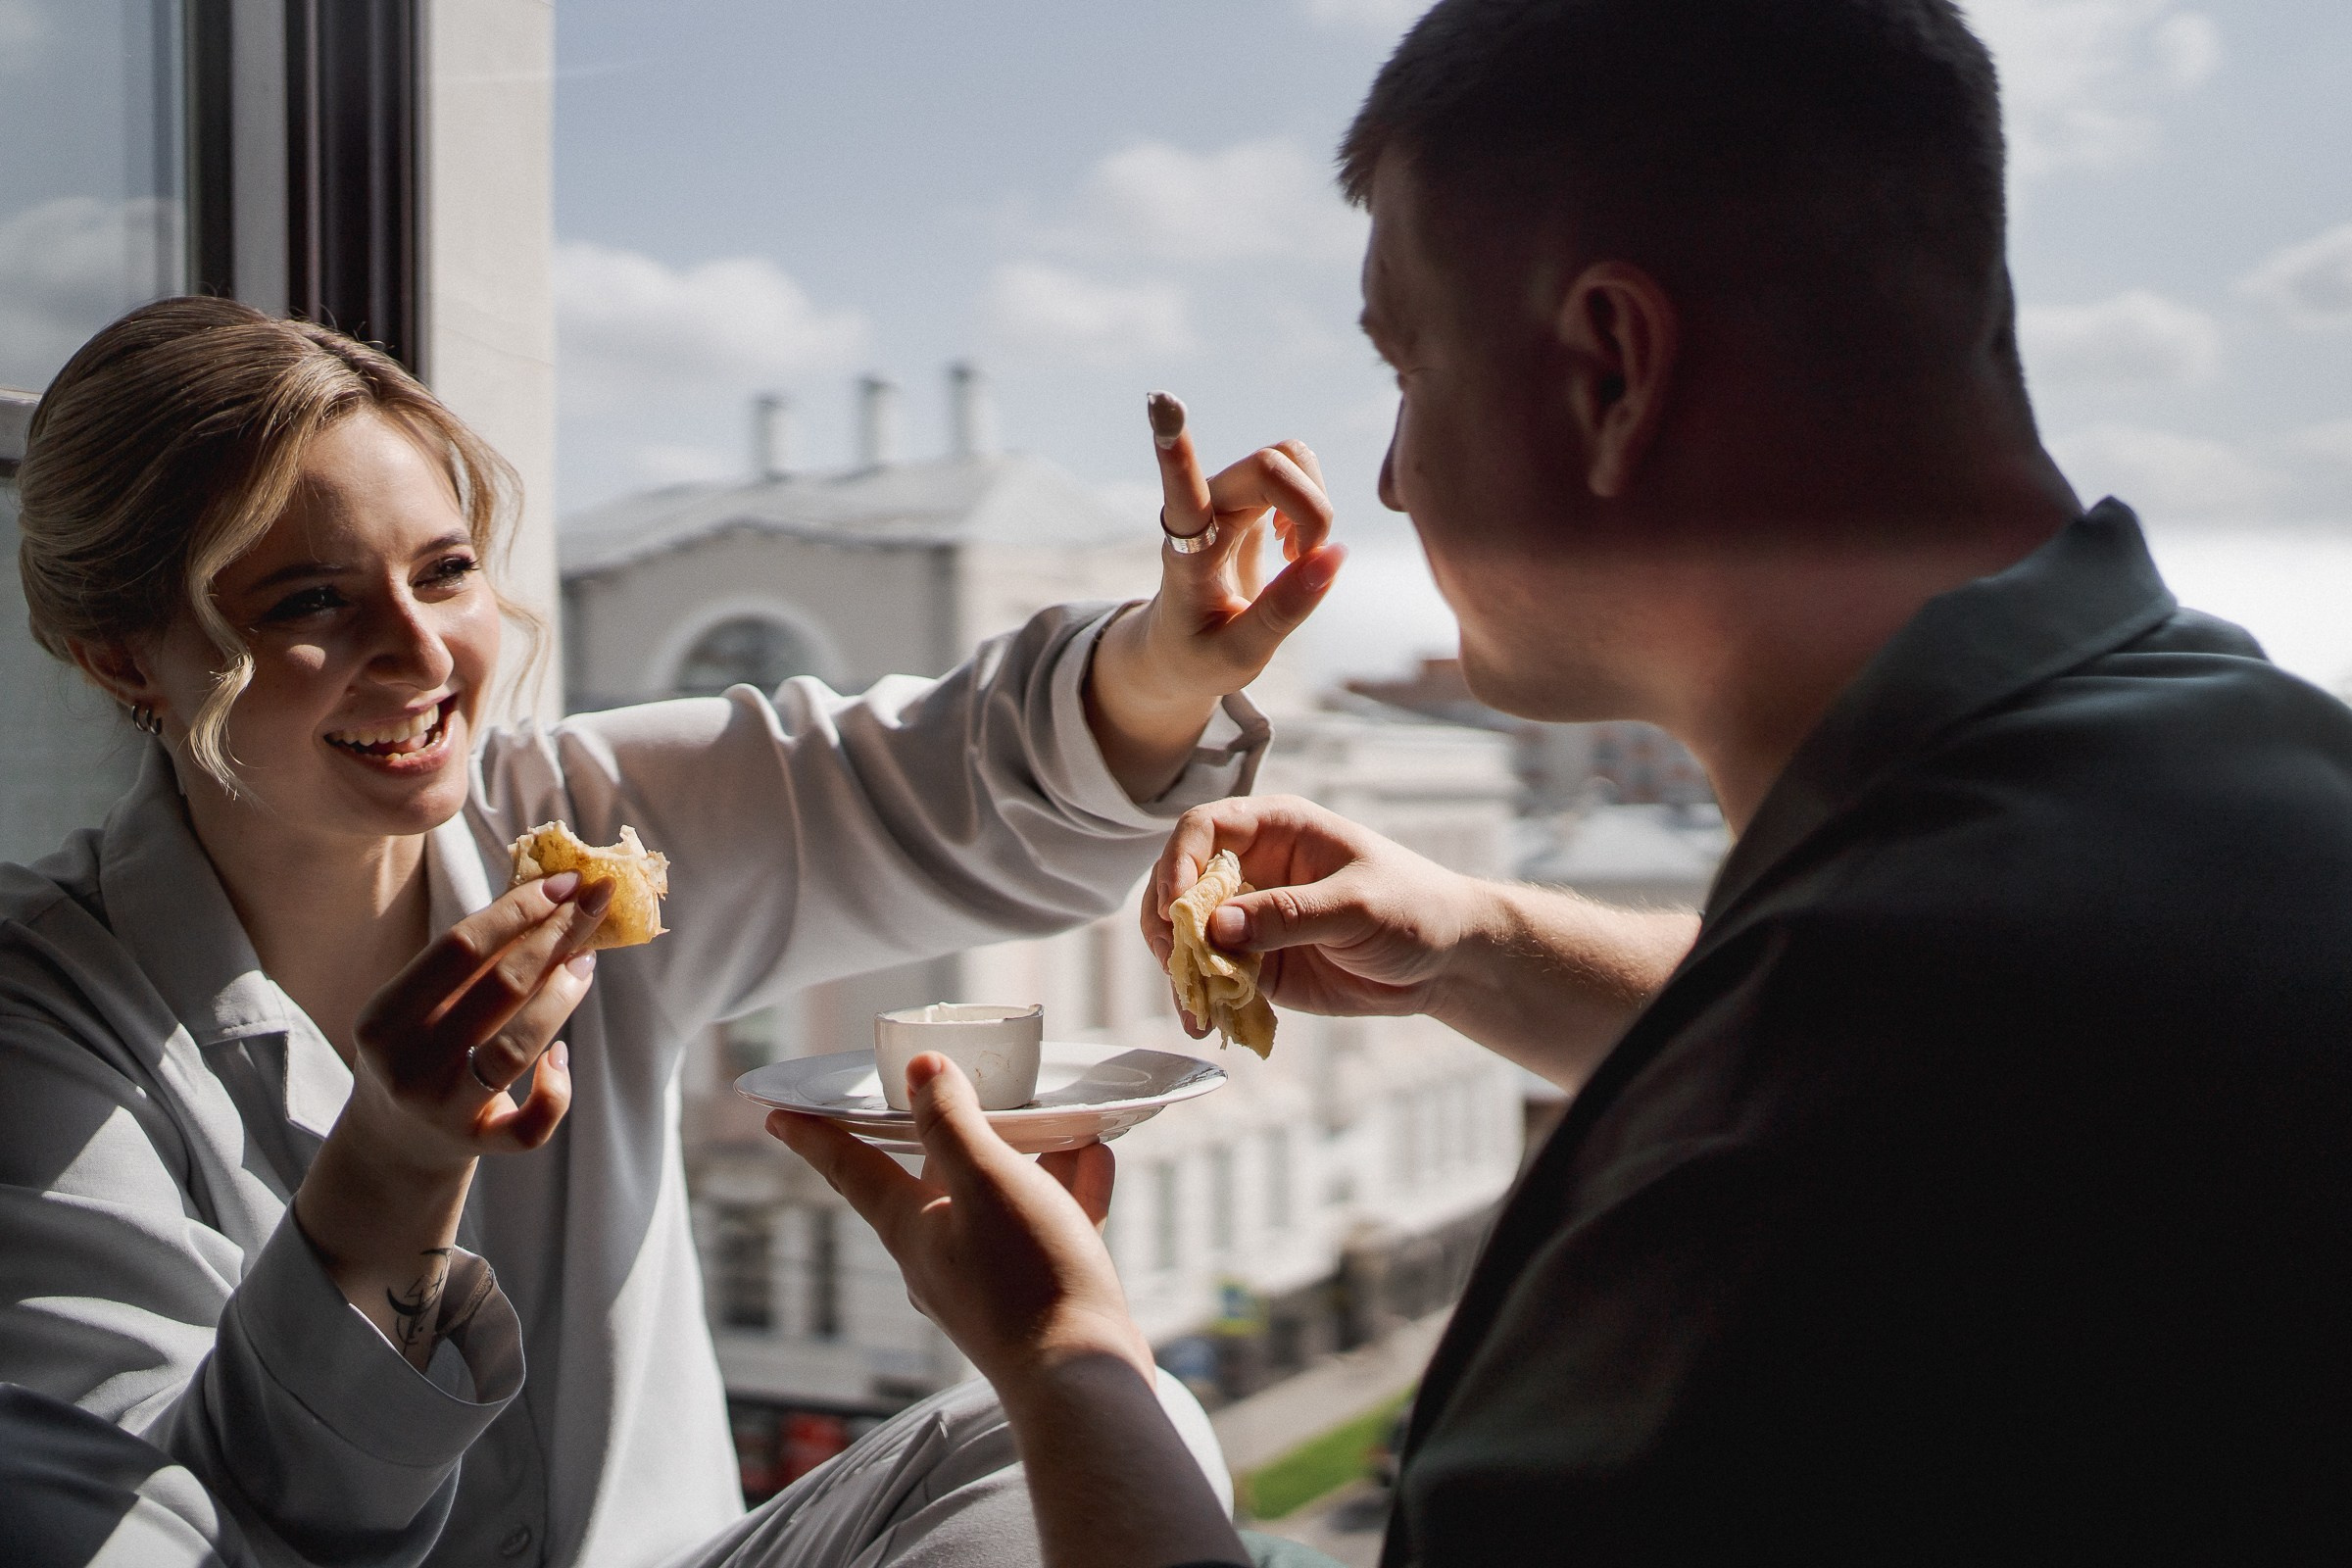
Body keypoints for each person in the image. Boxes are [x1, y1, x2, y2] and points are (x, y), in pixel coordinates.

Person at [768, 0, 2352, 1563]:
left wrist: (1064, 1360)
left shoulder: (1750, 1223)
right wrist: (1487, 945)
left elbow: (1852, 1064)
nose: (1389, 476)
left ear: (1611, 372)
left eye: (1408, 362)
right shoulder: (2232, 764)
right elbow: (1951, 1032)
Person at [0, 295, 1345, 1566]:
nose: (420, 655)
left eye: (447, 570)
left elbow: (933, 784)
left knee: (1101, 1410)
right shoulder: (43, 1012)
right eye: (309, 602)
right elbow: (150, 1531)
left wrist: (1170, 664)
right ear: (125, 655)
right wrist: (394, 1172)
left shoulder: (585, 816)